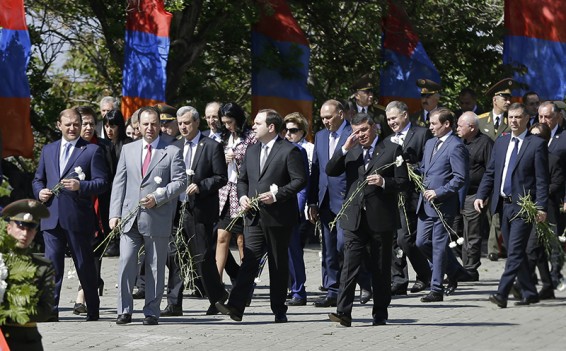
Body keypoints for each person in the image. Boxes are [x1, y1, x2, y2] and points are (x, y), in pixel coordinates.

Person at [215, 109, 307, 323]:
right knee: (250, 259)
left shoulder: (289, 150)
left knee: (277, 263)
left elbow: (299, 180)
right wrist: (243, 196)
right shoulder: (252, 150)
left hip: (279, 217)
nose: (253, 127)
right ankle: (236, 307)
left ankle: (279, 308)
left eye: (258, 123)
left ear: (271, 127)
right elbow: (242, 179)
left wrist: (277, 195)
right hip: (254, 216)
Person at [326, 113, 408, 327]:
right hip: (355, 217)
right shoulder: (351, 151)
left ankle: (380, 313)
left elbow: (403, 182)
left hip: (380, 218)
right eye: (356, 131)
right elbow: (331, 170)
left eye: (363, 130)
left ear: (374, 128)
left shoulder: (391, 149)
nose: (360, 135)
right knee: (349, 266)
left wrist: (383, 182)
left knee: (380, 268)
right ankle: (343, 312)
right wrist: (344, 148)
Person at [109, 106, 186, 325]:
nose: (150, 128)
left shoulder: (171, 150)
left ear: (160, 125)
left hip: (156, 217)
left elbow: (181, 181)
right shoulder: (128, 149)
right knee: (126, 261)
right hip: (129, 217)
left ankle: (152, 311)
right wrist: (114, 213)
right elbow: (119, 183)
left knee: (154, 266)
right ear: (138, 126)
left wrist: (159, 197)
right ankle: (124, 310)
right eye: (145, 124)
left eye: (154, 124)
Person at [32, 108, 109, 321]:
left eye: (77, 124)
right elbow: (38, 178)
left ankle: (92, 308)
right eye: (68, 124)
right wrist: (39, 192)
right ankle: (50, 310)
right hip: (51, 217)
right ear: (59, 125)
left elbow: (102, 183)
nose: (73, 128)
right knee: (52, 266)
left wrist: (81, 186)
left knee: (84, 265)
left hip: (78, 218)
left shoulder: (92, 150)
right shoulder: (48, 150)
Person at [475, 103, 549, 308]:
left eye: (518, 117)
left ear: (527, 119)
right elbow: (491, 172)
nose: (514, 121)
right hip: (503, 205)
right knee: (514, 250)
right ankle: (529, 292)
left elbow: (542, 179)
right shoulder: (501, 141)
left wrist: (541, 206)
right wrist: (481, 195)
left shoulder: (536, 144)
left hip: (524, 207)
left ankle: (502, 293)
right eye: (511, 117)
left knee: (515, 251)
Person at [161, 106, 228, 317]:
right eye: (180, 123)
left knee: (201, 256)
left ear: (197, 123)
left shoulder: (211, 146)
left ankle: (217, 297)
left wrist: (201, 186)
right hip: (176, 209)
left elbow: (220, 177)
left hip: (199, 210)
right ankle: (174, 303)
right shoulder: (174, 147)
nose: (183, 127)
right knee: (176, 256)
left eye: (187, 123)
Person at [308, 100, 372, 307]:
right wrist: (312, 201)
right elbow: (316, 170)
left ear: (341, 115)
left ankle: (364, 282)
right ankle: (333, 290)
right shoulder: (320, 136)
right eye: (323, 118)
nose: (325, 121)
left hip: (348, 198)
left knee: (346, 245)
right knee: (329, 249)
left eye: (329, 117)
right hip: (326, 199)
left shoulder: (353, 134)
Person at [415, 107, 470, 302]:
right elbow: (425, 168)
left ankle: (436, 289)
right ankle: (454, 270)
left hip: (443, 204)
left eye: (434, 124)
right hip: (426, 203)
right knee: (421, 243)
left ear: (446, 124)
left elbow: (460, 177)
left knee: (438, 246)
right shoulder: (430, 143)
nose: (430, 127)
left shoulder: (456, 146)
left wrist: (439, 192)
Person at [72, 106, 116, 314]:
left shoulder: (105, 147)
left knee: (94, 249)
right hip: (75, 207)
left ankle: (82, 295)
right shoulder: (69, 148)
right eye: (84, 124)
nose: (88, 128)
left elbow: (114, 177)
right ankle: (93, 282)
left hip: (100, 207)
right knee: (81, 251)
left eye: (91, 123)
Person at [385, 101, 432, 295]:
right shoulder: (388, 140)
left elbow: (429, 162)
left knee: (406, 238)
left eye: (394, 118)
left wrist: (412, 167)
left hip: (413, 194)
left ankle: (424, 275)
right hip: (392, 194)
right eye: (388, 119)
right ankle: (398, 279)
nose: (391, 122)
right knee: (394, 239)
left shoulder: (421, 134)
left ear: (405, 115)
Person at [1, 199, 54, 351]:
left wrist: (9, 311)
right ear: (9, 228)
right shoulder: (0, 260)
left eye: (31, 228)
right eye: (20, 226)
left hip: (27, 342)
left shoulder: (43, 266)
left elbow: (46, 310)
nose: (25, 233)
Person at [215, 102, 256, 283]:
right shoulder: (222, 138)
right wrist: (223, 159)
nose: (227, 126)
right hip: (225, 192)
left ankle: (245, 283)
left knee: (242, 240)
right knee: (222, 236)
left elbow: (254, 164)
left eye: (230, 122)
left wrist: (239, 159)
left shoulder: (250, 138)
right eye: (224, 122)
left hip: (243, 192)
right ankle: (216, 284)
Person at [524, 123, 563, 300]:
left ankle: (523, 283)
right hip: (528, 208)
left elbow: (557, 182)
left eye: (538, 137)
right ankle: (546, 285)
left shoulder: (552, 159)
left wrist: (539, 194)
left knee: (534, 248)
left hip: (546, 209)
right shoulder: (527, 156)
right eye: (531, 136)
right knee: (537, 251)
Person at [478, 78, 514, 262]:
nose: (508, 102)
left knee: (497, 213)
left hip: (501, 174)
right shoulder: (480, 120)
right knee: (481, 214)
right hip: (481, 174)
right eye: (504, 98)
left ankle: (494, 248)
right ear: (495, 100)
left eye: (509, 99)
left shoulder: (512, 121)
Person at [456, 111, 493, 281]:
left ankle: (470, 269)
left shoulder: (485, 143)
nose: (457, 128)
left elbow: (490, 171)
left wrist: (483, 194)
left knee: (472, 234)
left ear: (471, 127)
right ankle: (460, 266)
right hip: (457, 194)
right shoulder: (459, 142)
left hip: (474, 195)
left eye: (460, 126)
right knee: (457, 233)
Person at [283, 112, 313, 306]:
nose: (288, 134)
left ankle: (299, 291)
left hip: (294, 207)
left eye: (293, 131)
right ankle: (286, 287)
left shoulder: (301, 150)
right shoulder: (280, 148)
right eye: (285, 130)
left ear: (302, 131)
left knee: (294, 251)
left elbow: (302, 183)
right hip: (277, 204)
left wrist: (300, 208)